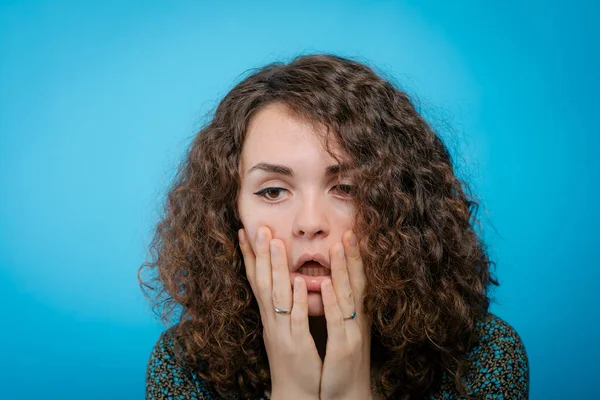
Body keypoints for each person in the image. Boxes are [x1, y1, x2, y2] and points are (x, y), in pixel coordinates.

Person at [138, 54, 529, 400]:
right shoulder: (184, 366)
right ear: (229, 212)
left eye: (345, 188)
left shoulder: (486, 357)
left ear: (400, 205)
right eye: (273, 191)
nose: (310, 224)